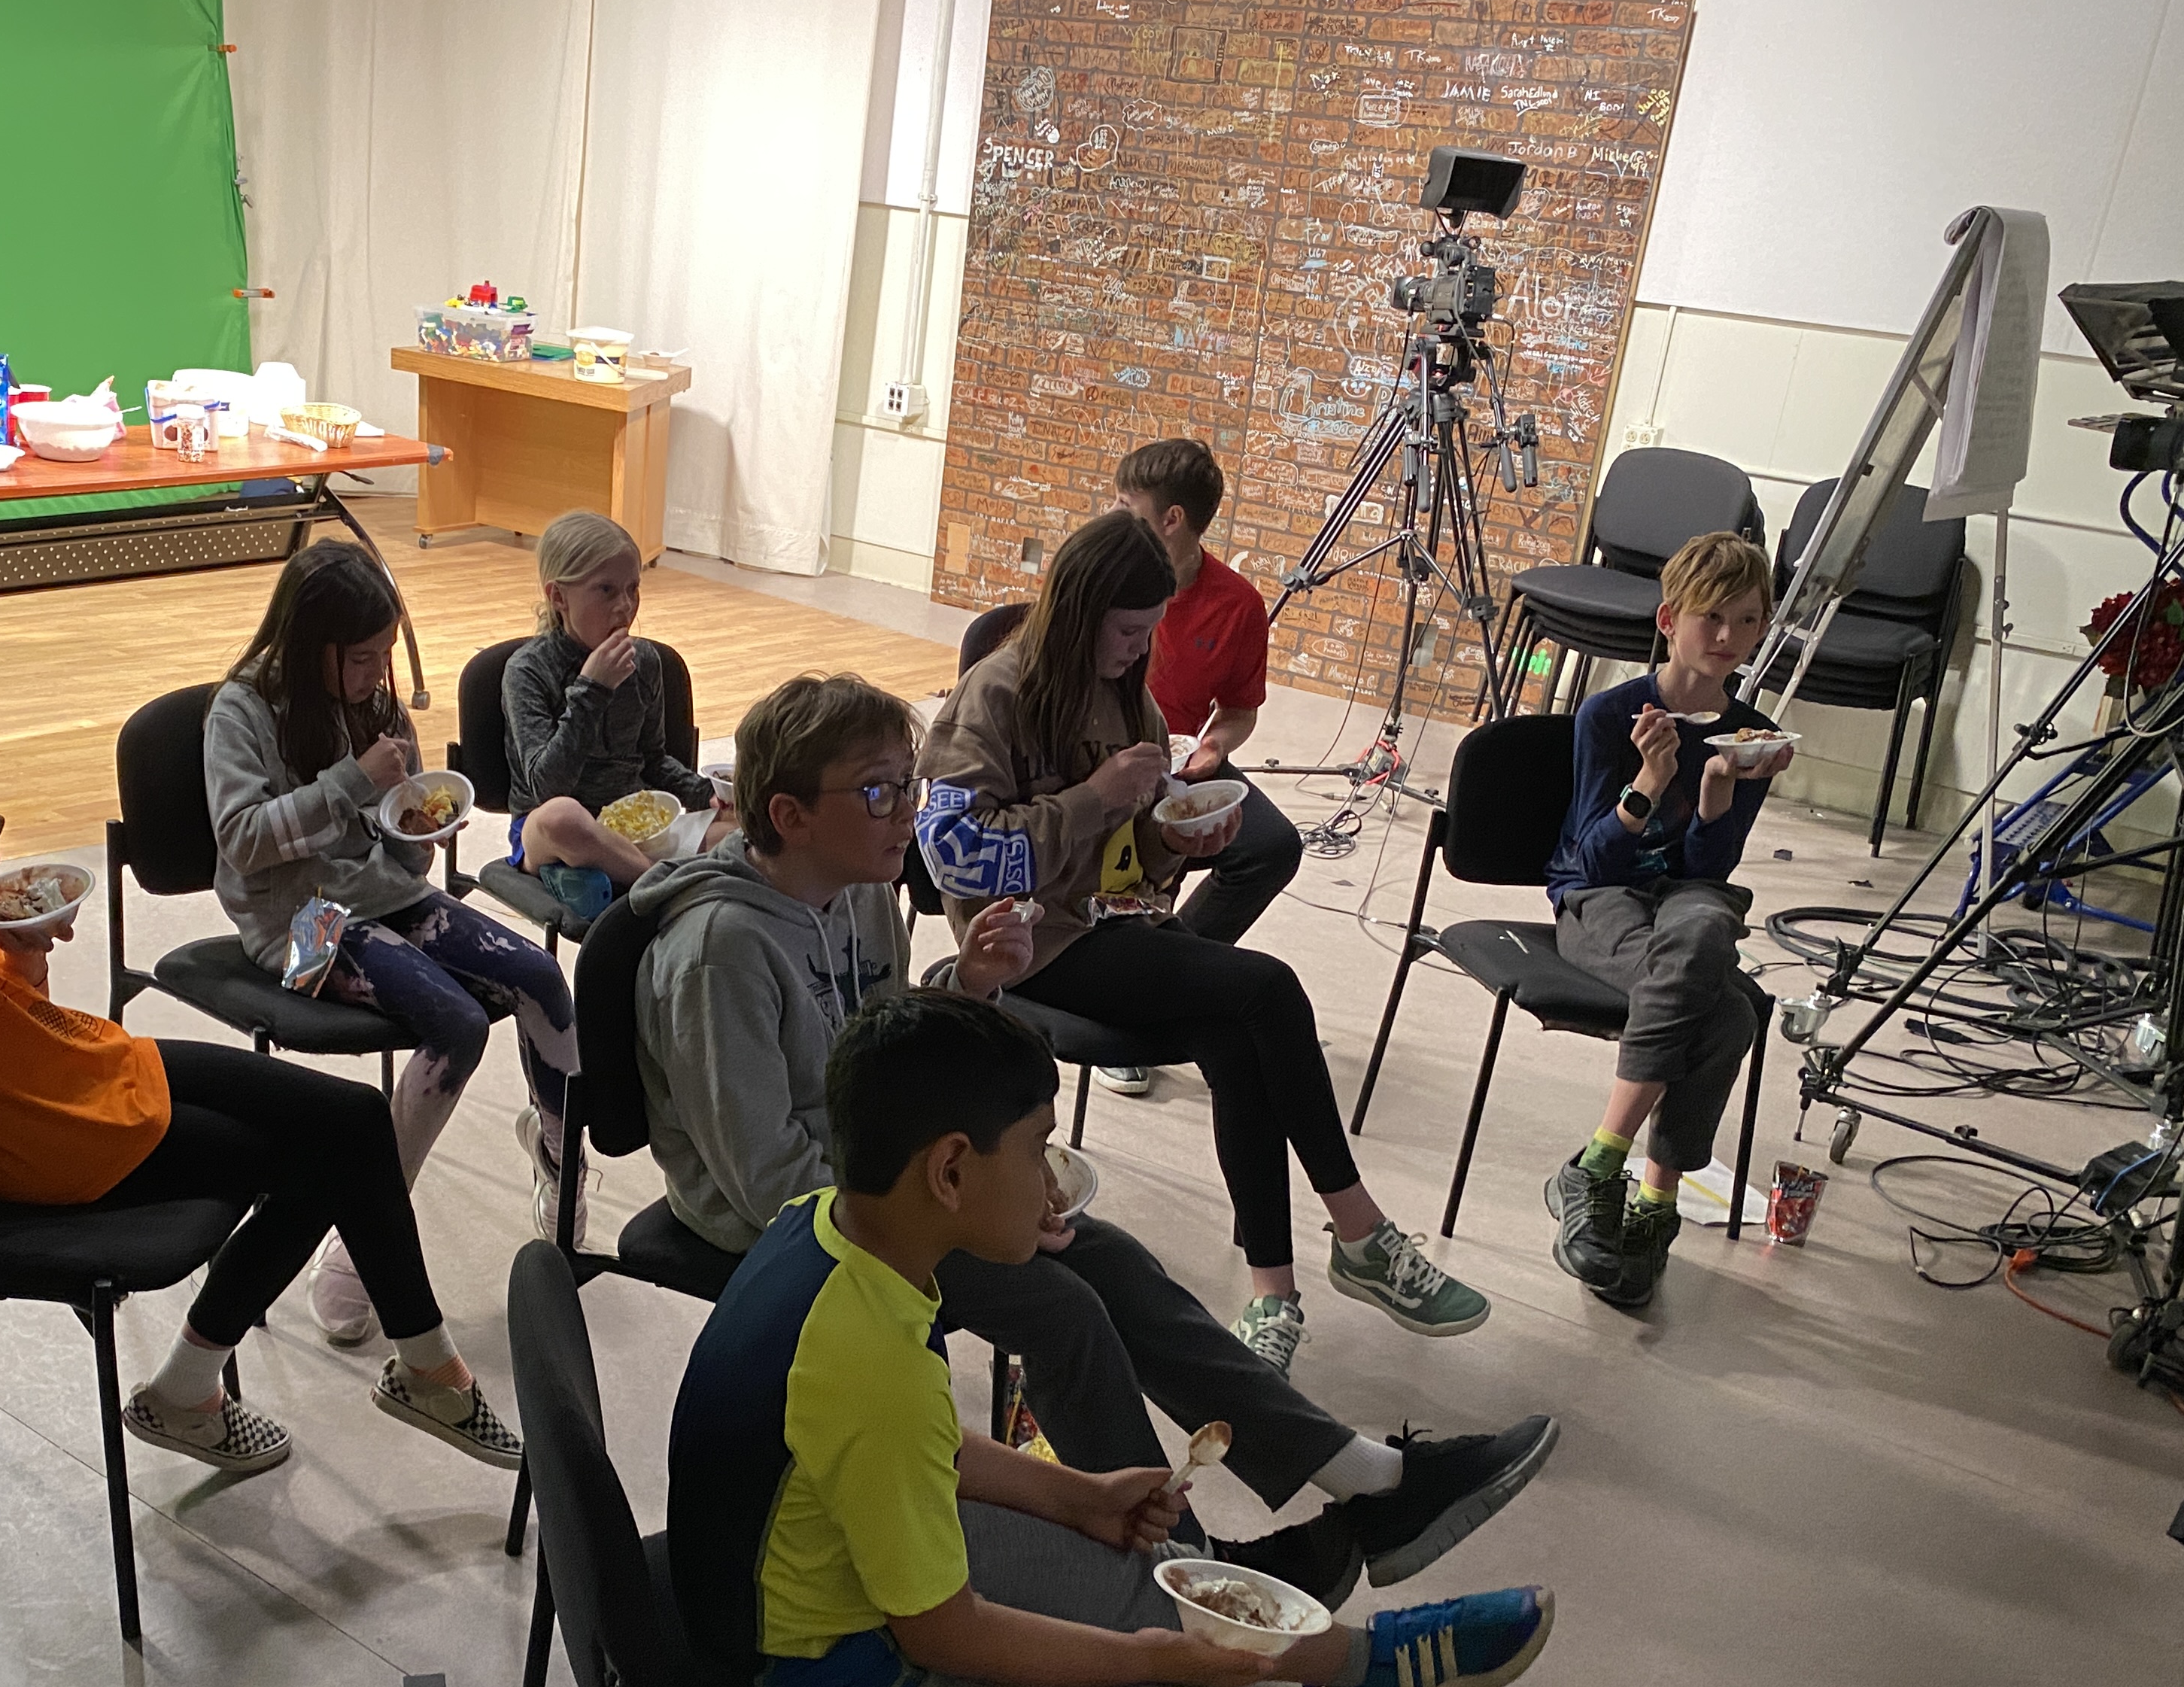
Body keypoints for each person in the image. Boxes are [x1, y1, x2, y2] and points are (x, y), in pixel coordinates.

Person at [664, 989, 1712, 1687]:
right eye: (1037, 1149)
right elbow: (944, 1634)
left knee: (1158, 1569)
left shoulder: (830, 1234)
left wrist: (1075, 1496)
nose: (1053, 1179)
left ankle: (1369, 1668)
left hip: (820, 1575)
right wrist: (1151, 1665)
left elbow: (900, 1447)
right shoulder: (867, 1358)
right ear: (951, 1171)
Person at [631, 672, 1557, 1603]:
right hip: (784, 1229)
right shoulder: (721, 950)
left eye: (907, 785)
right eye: (878, 792)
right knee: (1061, 1306)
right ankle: (1191, 1576)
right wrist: (956, 1209)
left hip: (876, 1184)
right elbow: (765, 1182)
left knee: (1100, 1256)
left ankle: (1360, 1487)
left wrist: (968, 991)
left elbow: (878, 1063)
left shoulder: (857, 896)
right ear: (789, 815)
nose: (906, 811)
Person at [0, 644, 521, 1478]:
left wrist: (22, 948)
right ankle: (398, 1374)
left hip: (70, 1064)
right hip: (29, 1127)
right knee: (323, 1157)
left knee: (354, 1119)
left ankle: (267, 1382)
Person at [918, 509, 1490, 1372]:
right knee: (1268, 988)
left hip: (1114, 925)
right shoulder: (998, 694)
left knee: (1237, 1038)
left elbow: (1136, 867)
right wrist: (1096, 798)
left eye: (1148, 631)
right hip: (1027, 944)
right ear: (1079, 612)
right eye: (1126, 631)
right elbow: (953, 855)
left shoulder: (1133, 702)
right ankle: (1361, 1230)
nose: (1136, 649)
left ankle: (1274, 1296)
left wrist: (1175, 841)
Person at [207, 542, 583, 1327]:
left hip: (383, 894)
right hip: (296, 926)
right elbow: (242, 841)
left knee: (542, 980)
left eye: (385, 655)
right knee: (456, 1022)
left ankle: (562, 1160)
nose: (378, 675)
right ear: (311, 645)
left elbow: (397, 849)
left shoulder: (372, 707)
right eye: (362, 658)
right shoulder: (241, 711)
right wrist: (351, 782)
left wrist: (418, 829)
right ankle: (364, 1228)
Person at [1542, 532, 1791, 1309]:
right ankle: (1651, 1201)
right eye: (1712, 617)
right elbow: (1593, 862)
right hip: (1599, 900)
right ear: (1669, 620)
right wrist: (1651, 779)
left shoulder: (1750, 734)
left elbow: (1708, 873)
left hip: (1680, 905)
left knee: (1706, 926)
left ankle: (1601, 1168)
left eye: (1748, 621)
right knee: (1728, 1015)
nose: (1728, 637)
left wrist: (1718, 786)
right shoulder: (1610, 714)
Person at [1113, 433, 1302, 952]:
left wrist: (1214, 746)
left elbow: (1239, 710)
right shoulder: (1101, 576)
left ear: (1171, 519)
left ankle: (1178, 956)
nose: (1112, 515)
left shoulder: (1237, 605)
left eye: (1125, 506)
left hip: (1175, 764)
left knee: (1272, 846)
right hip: (1095, 755)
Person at [500, 509, 724, 925]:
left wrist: (706, 794)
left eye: (633, 589)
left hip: (637, 829)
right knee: (563, 817)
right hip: (552, 834)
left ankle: (629, 875)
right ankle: (669, 888)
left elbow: (653, 760)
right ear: (558, 597)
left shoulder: (646, 661)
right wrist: (593, 690)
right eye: (606, 590)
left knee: (748, 825)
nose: (625, 606)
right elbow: (547, 788)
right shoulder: (528, 671)